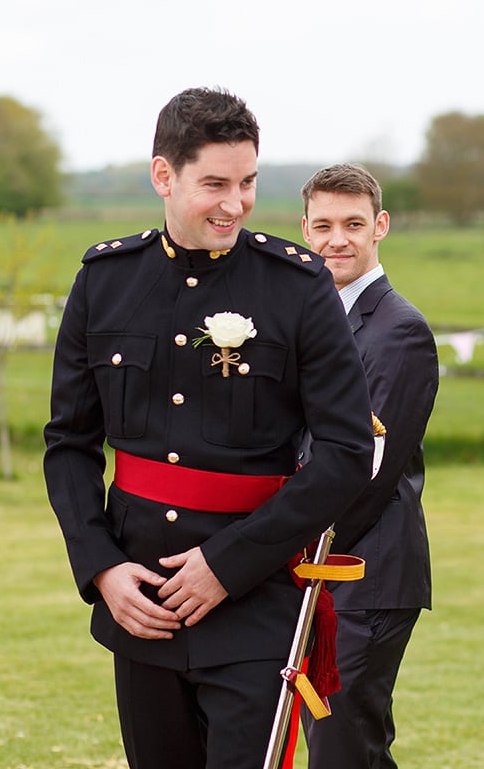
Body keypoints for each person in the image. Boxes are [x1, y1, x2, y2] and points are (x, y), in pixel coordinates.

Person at [42, 87, 376, 769]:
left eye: (248, 182)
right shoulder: (104, 280)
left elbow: (346, 452)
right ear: (164, 176)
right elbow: (69, 445)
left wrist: (227, 566)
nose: (235, 203)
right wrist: (102, 569)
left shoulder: (298, 286)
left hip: (255, 605)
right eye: (215, 184)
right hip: (140, 606)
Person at [297, 163, 439, 769]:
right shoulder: (311, 320)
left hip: (365, 572)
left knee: (344, 746)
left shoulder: (399, 331)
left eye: (353, 224)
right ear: (305, 229)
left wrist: (284, 544)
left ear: (379, 226)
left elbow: (368, 472)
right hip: (319, 570)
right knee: (339, 743)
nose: (338, 239)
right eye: (324, 225)